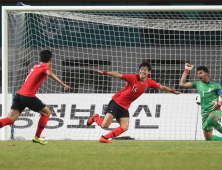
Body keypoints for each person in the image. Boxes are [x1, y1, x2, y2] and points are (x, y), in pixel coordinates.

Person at [87, 61, 180, 143]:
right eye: (141, 69)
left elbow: (161, 87)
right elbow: (118, 75)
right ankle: (95, 118)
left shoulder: (149, 82)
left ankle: (104, 138)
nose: (142, 71)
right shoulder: (133, 78)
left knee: (125, 127)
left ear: (149, 72)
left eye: (145, 70)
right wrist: (104, 72)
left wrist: (172, 91)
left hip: (124, 107)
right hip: (116, 102)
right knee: (104, 125)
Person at [0, 50, 71, 145]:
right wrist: (62, 84)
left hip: (19, 95)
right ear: (50, 60)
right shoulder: (44, 67)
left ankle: (37, 137)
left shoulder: (35, 66)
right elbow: (50, 73)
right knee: (47, 113)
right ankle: (37, 137)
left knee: (10, 120)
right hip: (28, 96)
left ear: (40, 59)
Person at [180, 63, 222, 141]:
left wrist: (220, 103)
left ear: (206, 74)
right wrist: (186, 70)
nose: (198, 75)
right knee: (208, 139)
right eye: (198, 74)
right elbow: (182, 84)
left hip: (215, 111)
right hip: (204, 113)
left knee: (210, 119)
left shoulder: (215, 85)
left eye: (200, 73)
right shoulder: (197, 84)